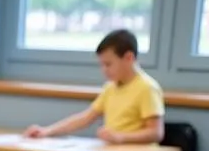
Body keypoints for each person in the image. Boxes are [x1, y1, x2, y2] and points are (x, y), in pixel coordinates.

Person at [25, 29, 164, 145]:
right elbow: (85, 118)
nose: (104, 70)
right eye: (102, 65)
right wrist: (47, 131)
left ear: (129, 58)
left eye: (108, 64)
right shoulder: (111, 87)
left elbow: (156, 133)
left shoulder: (147, 88)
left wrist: (121, 137)